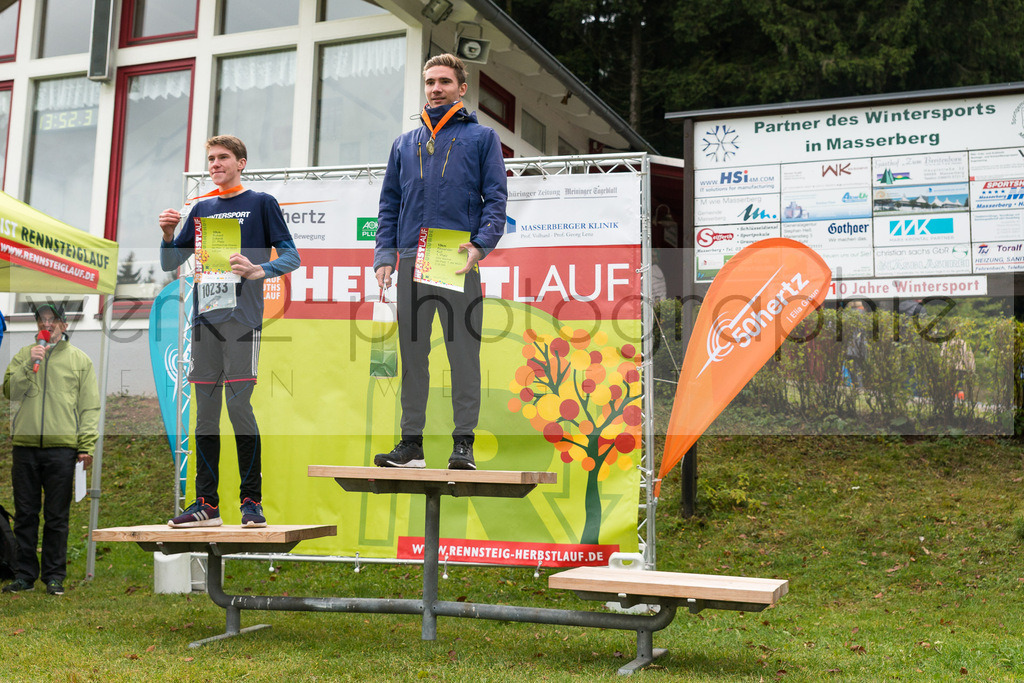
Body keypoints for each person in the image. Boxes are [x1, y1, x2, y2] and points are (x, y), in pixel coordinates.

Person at [158, 135, 300, 528]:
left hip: (242, 322)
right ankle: (206, 504)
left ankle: (251, 502)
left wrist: (260, 270)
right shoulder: (201, 208)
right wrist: (169, 235)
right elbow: (171, 263)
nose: (215, 164)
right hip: (204, 322)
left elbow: (292, 256)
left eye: (223, 158)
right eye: (211, 159)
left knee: (238, 408)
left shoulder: (261, 203)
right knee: (205, 414)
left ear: (241, 163)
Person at [373, 53, 507, 470]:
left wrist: (480, 245)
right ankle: (411, 444)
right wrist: (384, 257)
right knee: (412, 356)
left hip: (455, 259)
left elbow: (496, 200)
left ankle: (462, 444)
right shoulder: (404, 143)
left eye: (444, 82)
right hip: (412, 259)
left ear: (461, 88)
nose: (435, 88)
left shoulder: (482, 138)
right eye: (430, 81)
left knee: (462, 355)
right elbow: (389, 205)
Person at [2, 304, 99, 595]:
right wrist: (27, 364)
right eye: (42, 320)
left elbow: (89, 407)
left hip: (62, 449)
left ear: (64, 326)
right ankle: (25, 575)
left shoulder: (80, 360)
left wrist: (86, 446)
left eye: (53, 320)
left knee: (56, 517)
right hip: (25, 447)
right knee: (25, 514)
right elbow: (10, 391)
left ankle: (54, 576)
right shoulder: (24, 355)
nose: (48, 324)